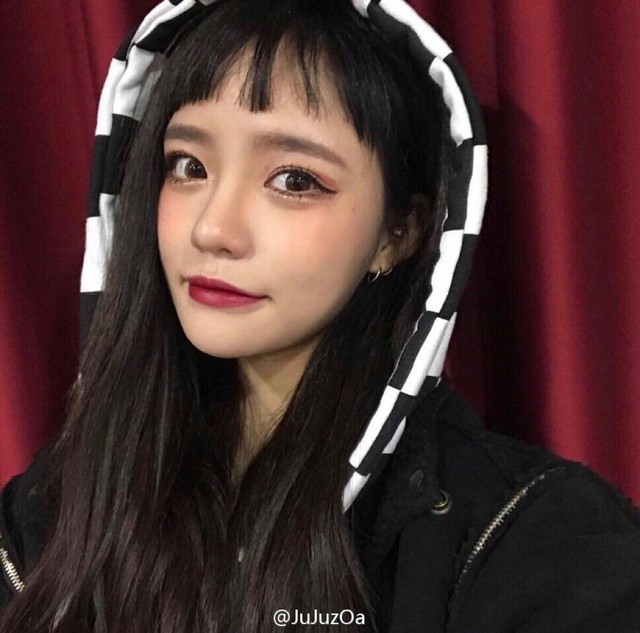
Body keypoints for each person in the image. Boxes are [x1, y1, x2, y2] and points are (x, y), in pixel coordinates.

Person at [1, 0, 639, 631]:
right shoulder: (52, 511)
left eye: (294, 180)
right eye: (189, 167)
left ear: (399, 232)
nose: (213, 229)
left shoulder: (535, 544)